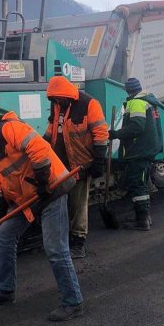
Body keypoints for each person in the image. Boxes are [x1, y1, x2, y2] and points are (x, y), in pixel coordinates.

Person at [0, 105, 84, 322]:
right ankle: (5, 291)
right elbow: (5, 181)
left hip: (51, 190)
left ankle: (73, 302)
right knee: (4, 234)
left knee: (55, 248)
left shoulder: (10, 128)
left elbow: (38, 148)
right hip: (30, 197)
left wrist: (42, 180)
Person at [44, 76, 109, 258]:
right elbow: (52, 127)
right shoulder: (57, 105)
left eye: (58, 99)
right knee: (62, 202)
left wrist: (98, 161)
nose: (56, 102)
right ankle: (64, 237)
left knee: (78, 204)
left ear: (66, 96)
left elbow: (100, 133)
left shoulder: (89, 104)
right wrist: (42, 145)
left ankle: (78, 242)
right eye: (54, 99)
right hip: (60, 164)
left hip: (80, 164)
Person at [108, 77, 160, 231]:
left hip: (139, 150)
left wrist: (116, 134)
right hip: (146, 149)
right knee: (141, 183)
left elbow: (137, 127)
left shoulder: (137, 102)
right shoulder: (148, 101)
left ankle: (142, 221)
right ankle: (144, 217)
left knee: (137, 184)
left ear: (128, 90)